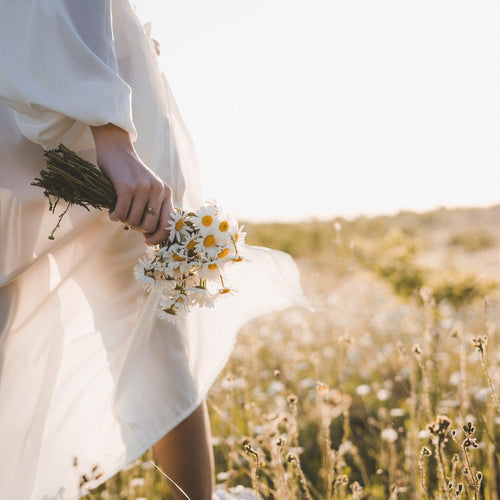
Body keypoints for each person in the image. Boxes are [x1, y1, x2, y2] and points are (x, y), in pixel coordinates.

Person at [0, 1, 306, 499]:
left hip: (71, 97)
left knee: (150, 314)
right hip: (77, 113)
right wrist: (112, 131)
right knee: (146, 317)